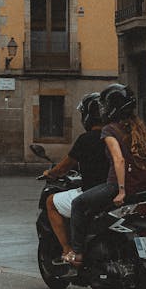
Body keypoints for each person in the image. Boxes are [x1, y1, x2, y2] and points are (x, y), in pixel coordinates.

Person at [66, 84, 146, 268]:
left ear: (111, 108)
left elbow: (119, 160)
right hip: (144, 189)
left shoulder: (109, 130)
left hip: (117, 185)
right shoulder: (141, 128)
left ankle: (77, 253)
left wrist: (121, 191)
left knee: (78, 204)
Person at [42, 92, 109, 262]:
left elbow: (65, 166)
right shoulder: (116, 137)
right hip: (113, 191)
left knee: (51, 202)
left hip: (93, 192)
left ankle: (67, 250)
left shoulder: (86, 139)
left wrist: (50, 173)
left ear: (87, 116)